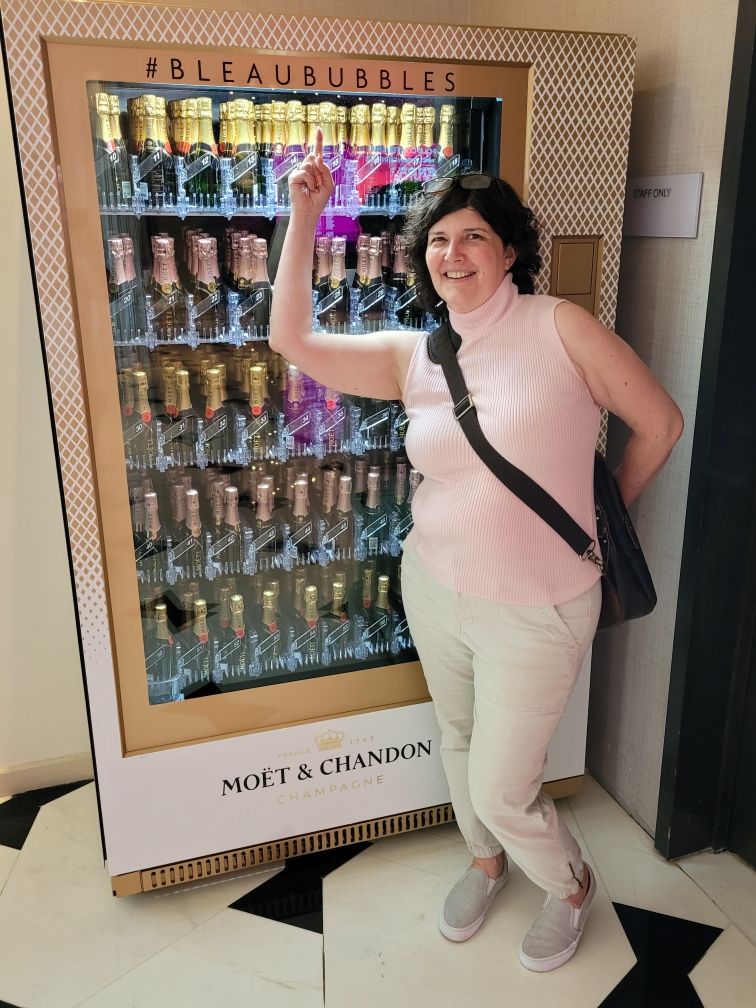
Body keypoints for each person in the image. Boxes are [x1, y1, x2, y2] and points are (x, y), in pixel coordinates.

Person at [270, 132, 683, 972]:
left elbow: (661, 422)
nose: (452, 253)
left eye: (472, 237)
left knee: (504, 782)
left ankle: (568, 885)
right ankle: (487, 861)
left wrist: (600, 525)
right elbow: (292, 341)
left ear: (509, 251)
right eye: (437, 240)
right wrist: (303, 215)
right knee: (457, 740)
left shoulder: (560, 326)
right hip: (435, 582)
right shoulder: (416, 354)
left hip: (537, 604)